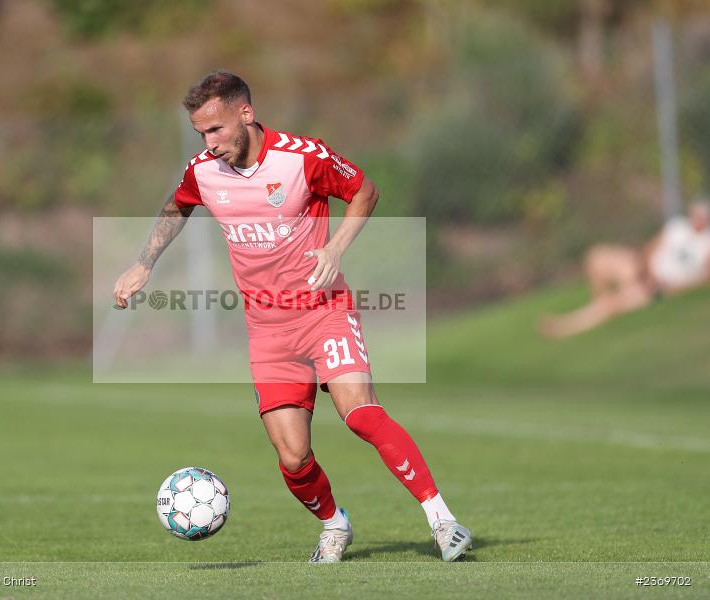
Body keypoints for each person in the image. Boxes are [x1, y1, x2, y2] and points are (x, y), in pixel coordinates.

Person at [113, 72, 472, 563]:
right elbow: (176, 206)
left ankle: (442, 521)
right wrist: (143, 263)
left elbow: (365, 190)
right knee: (292, 455)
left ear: (245, 113)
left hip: (324, 312)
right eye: (201, 133)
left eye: (216, 129)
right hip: (267, 330)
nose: (209, 142)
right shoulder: (202, 171)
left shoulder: (304, 158)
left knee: (361, 414)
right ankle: (334, 525)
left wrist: (336, 247)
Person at [541, 200, 710, 338]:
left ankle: (564, 327)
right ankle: (599, 301)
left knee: (610, 305)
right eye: (695, 214)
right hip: (641, 268)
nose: (696, 218)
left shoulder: (706, 244)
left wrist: (666, 286)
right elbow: (649, 249)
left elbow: (701, 279)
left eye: (701, 215)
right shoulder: (678, 227)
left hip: (658, 286)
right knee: (596, 257)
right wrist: (644, 270)